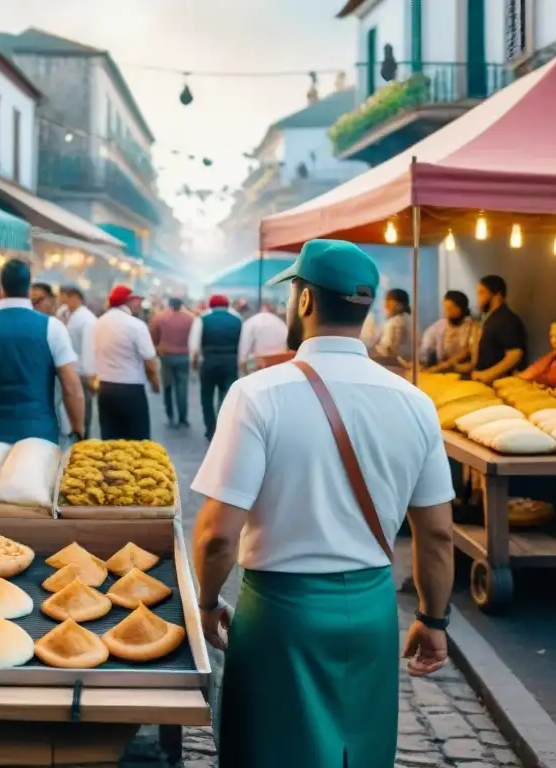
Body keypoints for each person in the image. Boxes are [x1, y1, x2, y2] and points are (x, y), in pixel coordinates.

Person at [190, 239, 455, 768]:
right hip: (374, 610)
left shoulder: (258, 394)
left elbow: (218, 533)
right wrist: (433, 618)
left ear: (305, 301)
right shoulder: (416, 402)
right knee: (360, 753)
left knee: (269, 751)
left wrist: (206, 600)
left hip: (281, 614)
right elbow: (439, 534)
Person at [0, 259, 85, 448]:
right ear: (28, 289)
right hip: (40, 438)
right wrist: (78, 431)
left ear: (1, 288)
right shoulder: (52, 328)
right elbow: (72, 388)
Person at [90, 285, 160, 440]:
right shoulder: (136, 325)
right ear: (128, 302)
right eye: (137, 301)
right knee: (138, 442)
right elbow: (149, 360)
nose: (140, 305)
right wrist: (155, 382)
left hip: (105, 388)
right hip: (131, 390)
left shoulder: (98, 323)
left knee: (110, 441)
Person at [190, 294, 242, 440]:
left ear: (210, 305)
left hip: (209, 362)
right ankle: (224, 428)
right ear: (227, 305)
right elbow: (242, 344)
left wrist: (194, 365)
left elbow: (194, 346)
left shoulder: (202, 319)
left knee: (206, 396)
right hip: (230, 361)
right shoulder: (237, 320)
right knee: (227, 397)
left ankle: (210, 429)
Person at [468, 275, 527, 384]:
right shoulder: (490, 318)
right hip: (481, 380)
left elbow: (515, 354)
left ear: (497, 295)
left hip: (497, 383)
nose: (478, 298)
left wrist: (487, 375)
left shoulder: (506, 319)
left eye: (482, 292)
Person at [150, 297, 194, 428]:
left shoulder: (159, 317)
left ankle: (170, 415)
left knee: (167, 387)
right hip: (184, 356)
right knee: (182, 387)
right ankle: (183, 417)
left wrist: (157, 348)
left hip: (166, 356)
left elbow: (153, 335)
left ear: (169, 305)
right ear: (181, 305)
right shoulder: (190, 319)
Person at [61, 286, 98, 438]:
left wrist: (91, 375)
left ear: (74, 297)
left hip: (82, 373)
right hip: (69, 370)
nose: (59, 300)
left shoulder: (87, 319)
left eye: (62, 296)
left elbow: (89, 348)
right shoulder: (65, 313)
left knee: (84, 412)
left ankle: (84, 441)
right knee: (69, 411)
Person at [419, 290, 476, 372]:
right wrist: (422, 361)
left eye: (450, 309)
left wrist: (442, 366)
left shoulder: (472, 326)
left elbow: (466, 352)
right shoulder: (438, 327)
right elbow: (426, 347)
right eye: (445, 309)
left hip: (463, 370)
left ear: (461, 308)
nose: (447, 313)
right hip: (441, 370)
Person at [237, 302, 288, 376]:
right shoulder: (281, 323)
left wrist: (242, 371)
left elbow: (243, 353)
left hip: (258, 369)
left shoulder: (251, 323)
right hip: (280, 368)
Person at [371, 287, 412, 364]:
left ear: (393, 302)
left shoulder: (394, 322)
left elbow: (386, 350)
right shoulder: (410, 320)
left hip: (394, 366)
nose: (385, 305)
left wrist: (370, 351)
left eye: (387, 300)